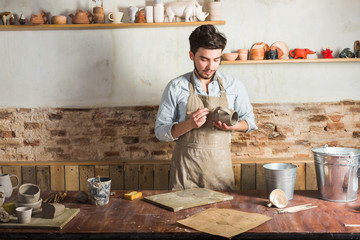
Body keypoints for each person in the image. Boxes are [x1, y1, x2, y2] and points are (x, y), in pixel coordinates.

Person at [155, 24, 257, 191]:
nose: (211, 67)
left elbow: (250, 121)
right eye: (204, 59)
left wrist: (234, 126)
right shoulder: (175, 87)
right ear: (191, 55)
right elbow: (160, 132)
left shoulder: (234, 86)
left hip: (220, 174)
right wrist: (189, 124)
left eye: (216, 60)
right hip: (185, 174)